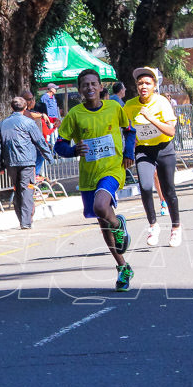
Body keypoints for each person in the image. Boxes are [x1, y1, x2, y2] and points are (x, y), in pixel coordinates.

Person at [54, 69, 136, 291]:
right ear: (79, 90)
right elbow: (59, 144)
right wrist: (73, 150)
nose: (90, 88)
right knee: (102, 222)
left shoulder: (114, 107)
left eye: (93, 84)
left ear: (101, 87)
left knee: (102, 206)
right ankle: (123, 267)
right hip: (89, 174)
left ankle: (119, 224)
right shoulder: (75, 115)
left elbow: (130, 131)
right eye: (85, 85)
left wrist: (129, 153)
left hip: (112, 169)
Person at [123, 67, 182, 247]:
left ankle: (175, 228)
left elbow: (171, 131)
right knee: (146, 186)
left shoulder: (162, 102)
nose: (143, 86)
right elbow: (126, 129)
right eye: (140, 83)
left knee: (168, 190)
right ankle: (153, 225)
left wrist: (151, 118)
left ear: (155, 86)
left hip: (164, 149)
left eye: (148, 83)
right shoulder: (130, 105)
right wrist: (127, 152)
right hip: (143, 150)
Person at [0, 96, 54, 229]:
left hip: (11, 162)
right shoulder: (28, 122)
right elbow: (39, 141)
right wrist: (49, 156)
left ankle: (22, 218)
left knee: (17, 189)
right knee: (26, 189)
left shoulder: (3, 124)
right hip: (27, 161)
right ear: (26, 107)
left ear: (11, 108)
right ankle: (26, 221)